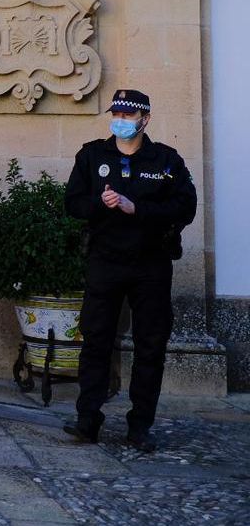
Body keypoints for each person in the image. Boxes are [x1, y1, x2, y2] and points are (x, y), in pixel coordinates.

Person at [62, 89, 197, 454]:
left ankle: (140, 426)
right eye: (116, 112)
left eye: (127, 114)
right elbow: (72, 202)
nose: (120, 119)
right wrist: (100, 204)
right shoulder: (92, 155)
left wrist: (136, 208)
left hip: (150, 264)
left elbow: (185, 207)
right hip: (105, 261)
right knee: (95, 342)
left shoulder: (166, 161)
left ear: (144, 119)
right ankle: (87, 420)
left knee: (150, 345)